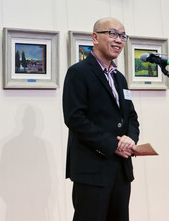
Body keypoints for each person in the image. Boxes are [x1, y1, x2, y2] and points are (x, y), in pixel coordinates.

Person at [63, 17, 140, 221]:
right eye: (113, 34)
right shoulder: (78, 73)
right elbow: (75, 118)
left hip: (121, 170)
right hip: (92, 169)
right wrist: (111, 144)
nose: (119, 40)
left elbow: (131, 116)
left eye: (123, 36)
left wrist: (130, 139)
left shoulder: (119, 78)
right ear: (95, 37)